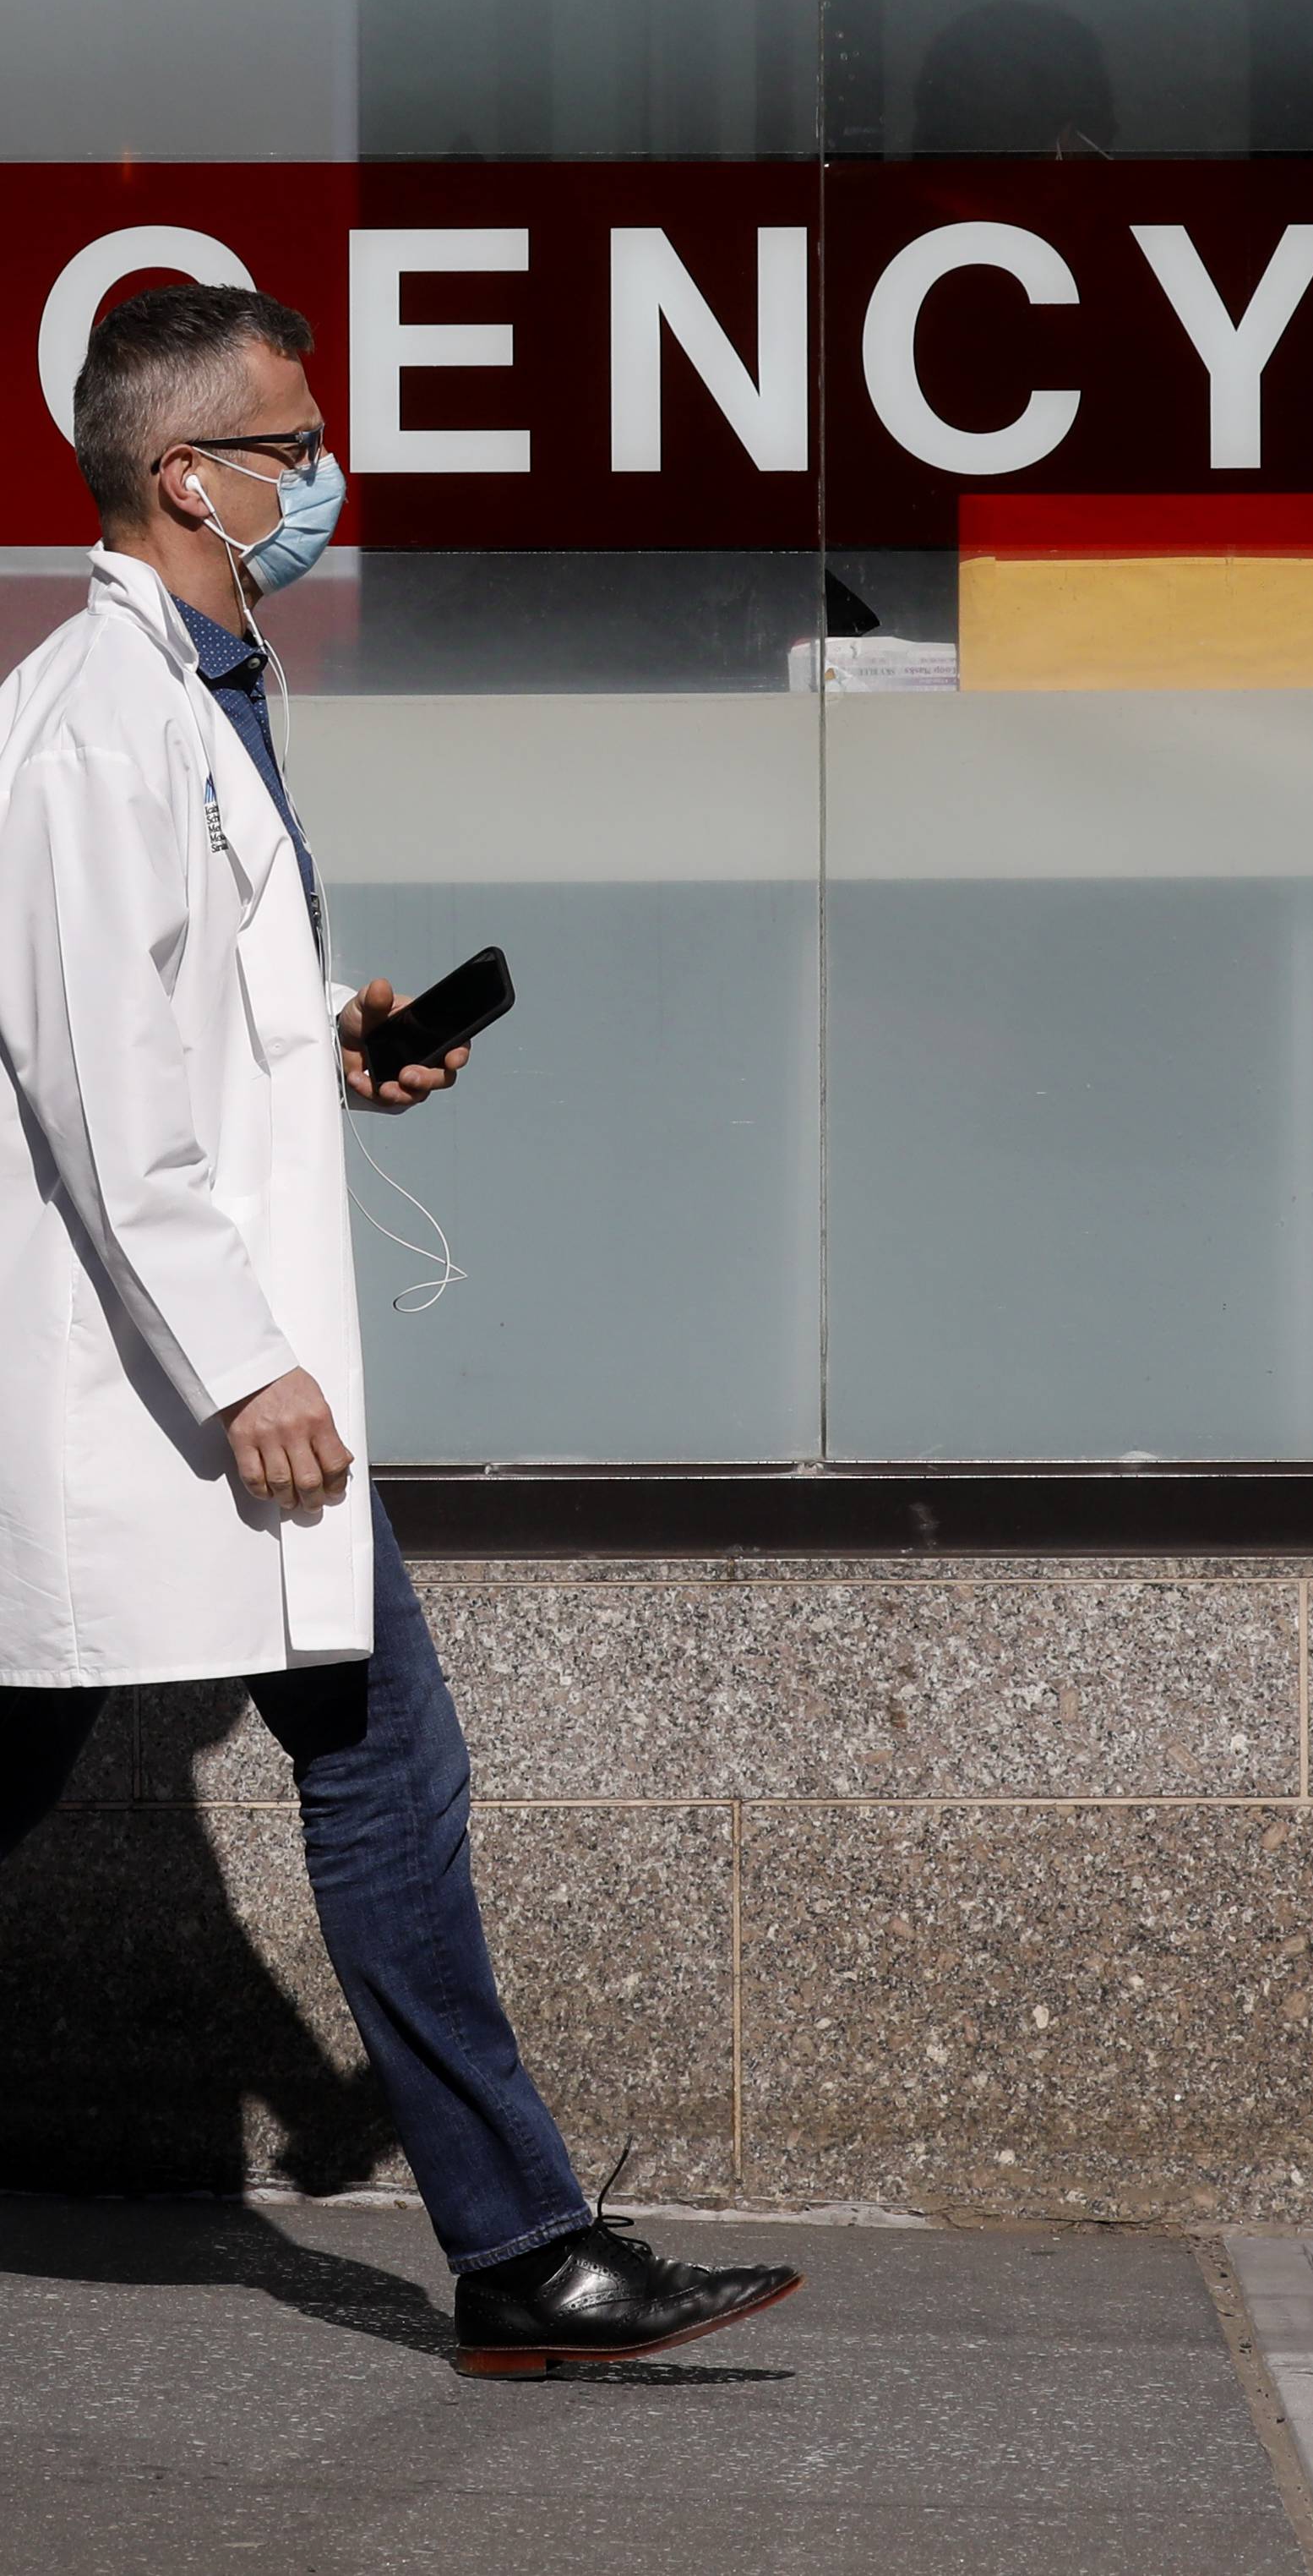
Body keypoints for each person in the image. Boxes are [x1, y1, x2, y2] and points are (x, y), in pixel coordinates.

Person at [0, 281, 800, 2379]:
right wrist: (247, 1365)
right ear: (189, 476)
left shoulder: (206, 688)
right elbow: (97, 1099)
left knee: (377, 1754)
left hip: (206, 1382)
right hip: (174, 1389)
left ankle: (522, 2250)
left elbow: (188, 1026)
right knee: (367, 1755)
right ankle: (525, 2251)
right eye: (290, 446)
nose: (318, 478)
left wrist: (330, 1046)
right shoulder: (97, 722)